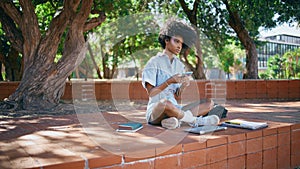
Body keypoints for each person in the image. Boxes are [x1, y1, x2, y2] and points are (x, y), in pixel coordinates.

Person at [142, 18, 220, 129]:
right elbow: (151, 94)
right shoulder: (154, 62)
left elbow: (176, 97)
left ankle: (173, 121)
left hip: (175, 108)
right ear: (166, 40)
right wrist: (170, 81)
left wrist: (183, 86)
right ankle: (195, 121)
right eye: (176, 41)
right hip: (157, 109)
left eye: (182, 43)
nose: (179, 46)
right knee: (165, 103)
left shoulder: (179, 65)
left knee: (209, 104)